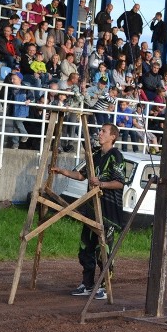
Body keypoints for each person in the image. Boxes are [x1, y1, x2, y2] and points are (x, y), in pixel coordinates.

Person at [51, 123, 125, 301]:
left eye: (103, 131)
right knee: (86, 248)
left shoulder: (116, 156)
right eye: (100, 131)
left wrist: (101, 183)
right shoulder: (96, 155)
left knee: (103, 249)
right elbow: (82, 175)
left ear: (112, 137)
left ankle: (104, 286)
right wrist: (63, 171)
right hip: (91, 208)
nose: (100, 134)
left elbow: (120, 182)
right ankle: (87, 283)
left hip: (108, 212)